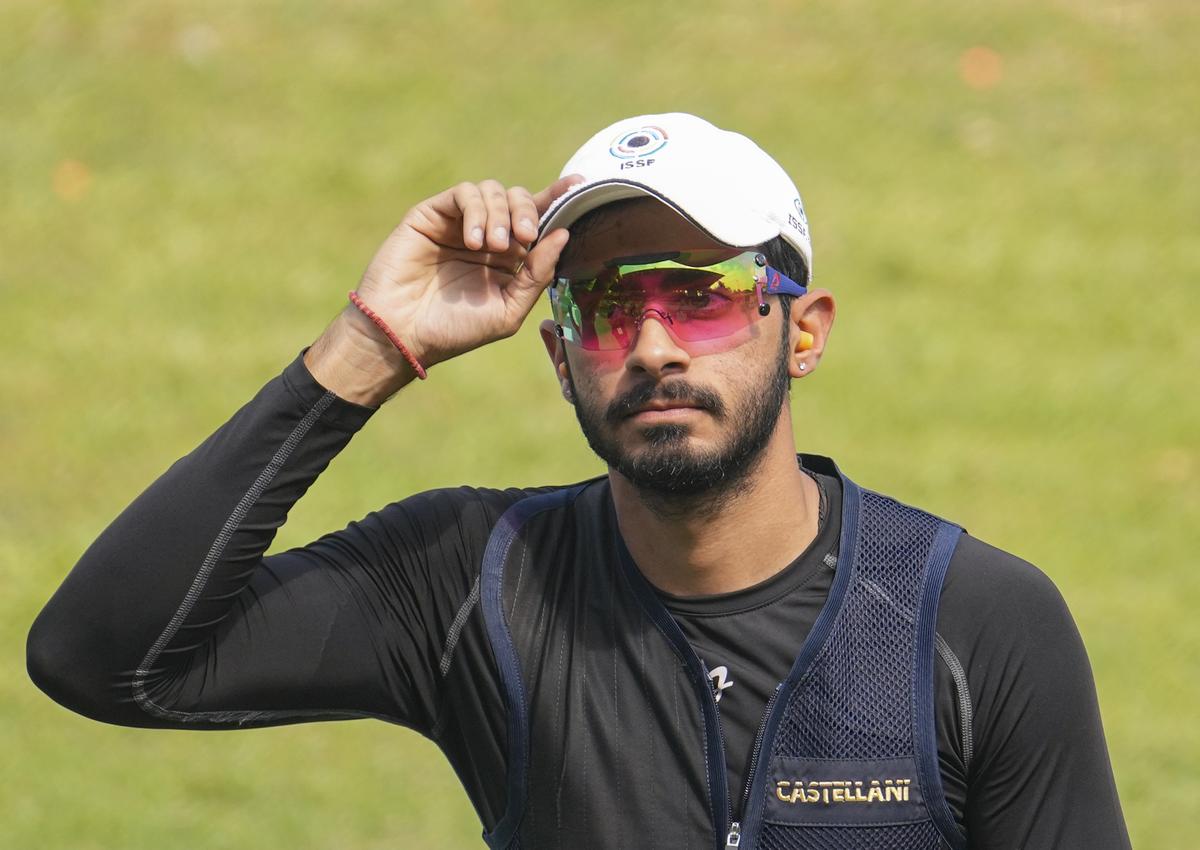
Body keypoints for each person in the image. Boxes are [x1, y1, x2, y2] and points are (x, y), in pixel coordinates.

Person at [27, 113, 1130, 849]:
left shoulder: (975, 620)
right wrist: (372, 346)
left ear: (805, 330)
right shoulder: (471, 581)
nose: (653, 343)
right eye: (606, 306)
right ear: (561, 359)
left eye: (703, 292)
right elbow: (102, 661)